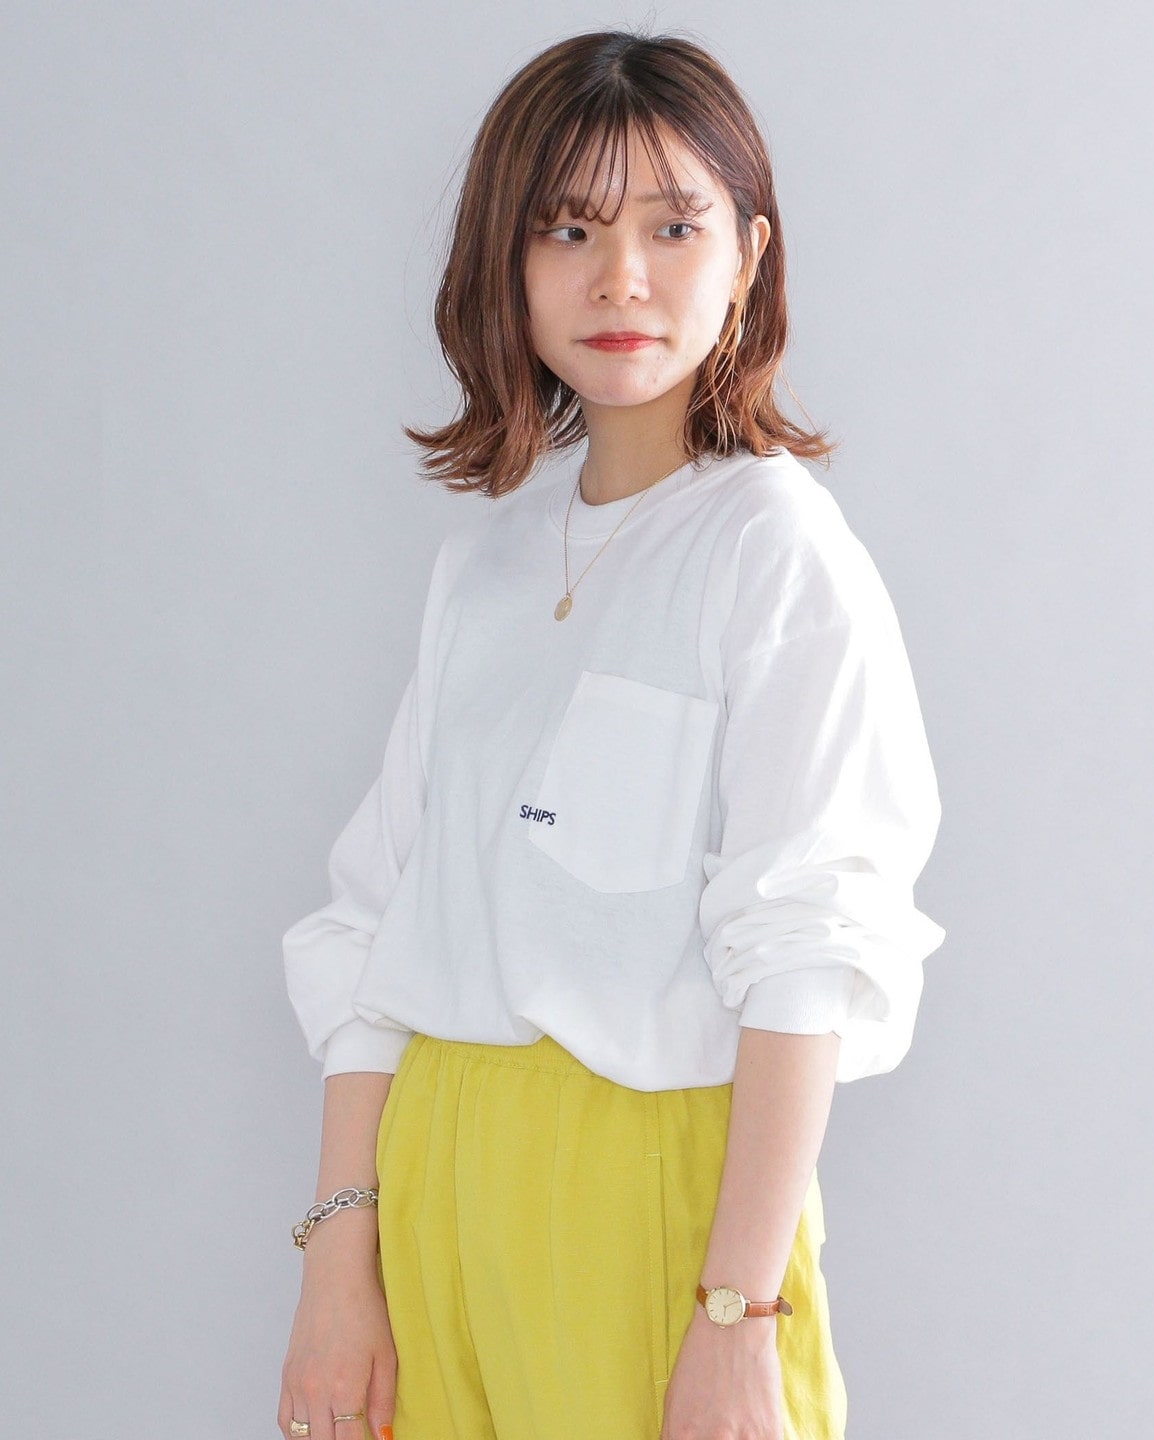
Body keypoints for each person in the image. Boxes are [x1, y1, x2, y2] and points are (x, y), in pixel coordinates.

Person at [276, 26, 946, 1440]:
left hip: (658, 1202)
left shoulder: (773, 551)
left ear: (748, 257)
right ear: (505, 262)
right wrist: (340, 1261)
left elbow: (806, 948)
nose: (621, 277)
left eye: (672, 227)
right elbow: (376, 924)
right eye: (569, 228)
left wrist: (739, 1313)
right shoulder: (485, 571)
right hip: (437, 1179)